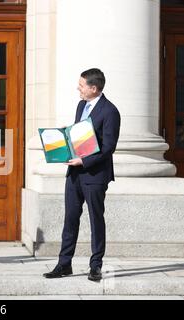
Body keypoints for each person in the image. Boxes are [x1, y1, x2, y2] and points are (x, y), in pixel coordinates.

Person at [43, 68, 121, 282]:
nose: (78, 88)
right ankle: (64, 264)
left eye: (81, 85)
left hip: (95, 175)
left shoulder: (110, 111)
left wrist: (84, 161)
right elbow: (82, 135)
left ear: (93, 88)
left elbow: (108, 147)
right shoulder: (81, 105)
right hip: (74, 174)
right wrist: (65, 134)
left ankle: (95, 266)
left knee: (96, 220)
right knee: (70, 219)